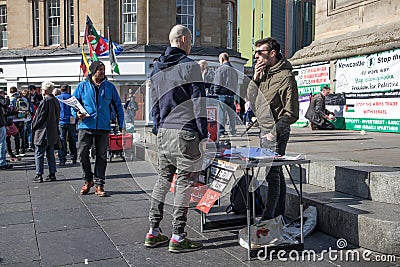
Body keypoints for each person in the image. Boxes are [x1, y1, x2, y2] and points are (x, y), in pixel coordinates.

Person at [144, 24, 207, 253]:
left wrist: (157, 128)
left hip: (164, 131)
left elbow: (155, 104)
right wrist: (203, 134)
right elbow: (199, 103)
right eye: (190, 40)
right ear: (181, 40)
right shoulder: (189, 66)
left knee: (162, 180)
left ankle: (153, 231)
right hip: (186, 131)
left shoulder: (157, 68)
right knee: (184, 183)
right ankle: (178, 235)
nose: (191, 45)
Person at [248, 37, 299, 221]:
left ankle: (269, 217)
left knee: (272, 173)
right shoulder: (264, 73)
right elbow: (250, 98)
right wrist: (255, 78)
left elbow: (292, 113)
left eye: (260, 53)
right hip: (263, 129)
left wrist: (273, 133)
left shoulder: (286, 77)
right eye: (255, 53)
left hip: (275, 132)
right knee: (276, 171)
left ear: (272, 53)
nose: (256, 57)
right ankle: (278, 213)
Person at [73, 60, 124, 197]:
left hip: (103, 126)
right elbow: (74, 103)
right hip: (86, 126)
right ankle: (88, 180)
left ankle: (99, 184)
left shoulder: (110, 87)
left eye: (103, 69)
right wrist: (77, 114)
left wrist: (121, 124)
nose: (102, 72)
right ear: (93, 71)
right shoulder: (82, 86)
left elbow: (118, 105)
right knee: (82, 154)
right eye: (100, 69)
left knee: (101, 156)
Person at [32, 81, 61, 183]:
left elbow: (39, 117)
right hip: (52, 131)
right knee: (50, 153)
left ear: (44, 90)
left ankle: (39, 174)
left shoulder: (45, 101)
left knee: (39, 153)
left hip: (43, 131)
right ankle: (52, 173)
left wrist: (33, 126)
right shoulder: (55, 100)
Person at [212, 52, 238, 137]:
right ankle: (233, 131)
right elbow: (236, 83)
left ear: (222, 59)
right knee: (231, 114)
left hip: (222, 95)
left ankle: (221, 132)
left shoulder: (221, 69)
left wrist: (215, 91)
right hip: (231, 94)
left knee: (221, 114)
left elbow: (218, 82)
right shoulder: (234, 70)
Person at [56, 83, 77, 166]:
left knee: (62, 140)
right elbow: (76, 108)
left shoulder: (57, 98)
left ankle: (62, 159)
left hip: (61, 121)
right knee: (72, 139)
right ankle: (73, 157)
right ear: (68, 89)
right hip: (71, 120)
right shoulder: (72, 98)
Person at [0, 90, 12, 170]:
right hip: (0, 124)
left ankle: (2, 160)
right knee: (1, 143)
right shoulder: (2, 101)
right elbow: (5, 106)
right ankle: (2, 162)